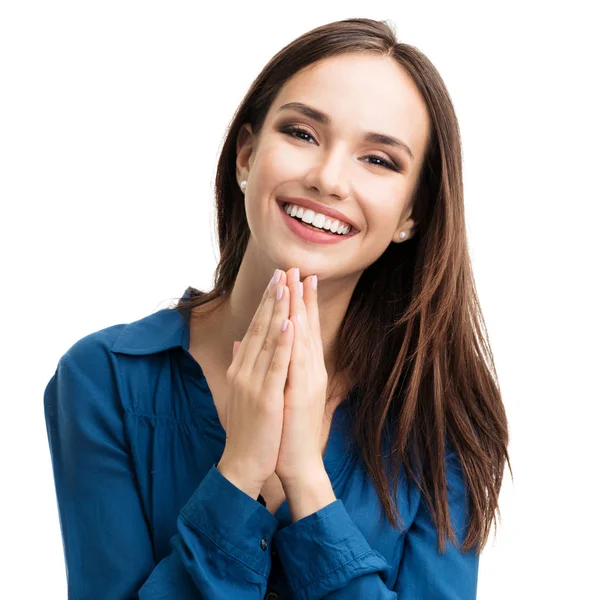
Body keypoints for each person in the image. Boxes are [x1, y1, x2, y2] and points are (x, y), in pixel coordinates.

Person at [44, 17, 510, 599]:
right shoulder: (103, 379)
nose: (328, 178)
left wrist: (307, 483)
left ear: (412, 215)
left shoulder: (438, 424)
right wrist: (238, 471)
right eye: (303, 134)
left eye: (379, 160)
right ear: (246, 156)